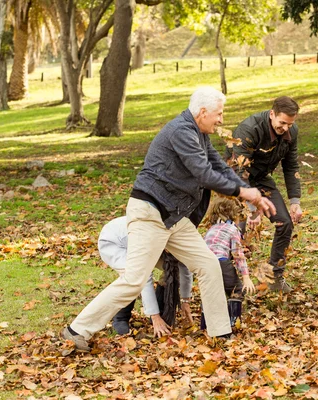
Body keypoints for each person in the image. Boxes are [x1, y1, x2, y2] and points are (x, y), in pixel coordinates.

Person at [61, 87, 276, 351]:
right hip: (150, 213)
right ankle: (76, 330)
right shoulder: (181, 132)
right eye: (218, 114)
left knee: (208, 265)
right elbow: (203, 174)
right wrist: (244, 191)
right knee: (134, 281)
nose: (221, 120)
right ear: (203, 112)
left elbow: (218, 166)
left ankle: (220, 332)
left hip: (173, 217)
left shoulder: (198, 133)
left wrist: (250, 195)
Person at [225, 96, 302, 293]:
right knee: (236, 230)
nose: (285, 128)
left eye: (289, 124)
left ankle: (274, 276)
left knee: (284, 222)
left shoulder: (291, 132)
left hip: (261, 180)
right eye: (282, 122)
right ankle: (230, 282)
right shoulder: (249, 129)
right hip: (235, 181)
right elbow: (239, 172)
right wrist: (252, 208)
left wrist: (295, 201)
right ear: (272, 114)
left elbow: (291, 165)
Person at [98, 217, 196, 336]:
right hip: (114, 242)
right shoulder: (150, 241)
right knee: (133, 279)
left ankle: (160, 310)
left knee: (171, 269)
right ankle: (120, 318)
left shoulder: (179, 236)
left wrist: (185, 301)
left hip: (142, 238)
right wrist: (155, 317)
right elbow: (144, 278)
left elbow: (184, 266)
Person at [202, 195, 256, 328]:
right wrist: (246, 277)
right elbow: (237, 254)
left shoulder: (211, 230)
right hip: (221, 263)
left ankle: (205, 324)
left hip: (205, 264)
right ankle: (233, 323)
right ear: (233, 214)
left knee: (210, 293)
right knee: (236, 290)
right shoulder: (232, 229)